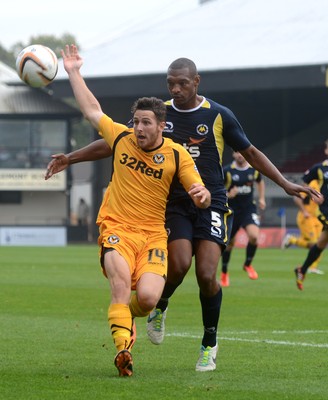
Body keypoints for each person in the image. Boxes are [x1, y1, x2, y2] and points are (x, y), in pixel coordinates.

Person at [45, 56, 321, 372]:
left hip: (212, 200)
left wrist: (284, 182)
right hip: (174, 203)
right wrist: (73, 157)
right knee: (177, 264)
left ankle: (208, 344)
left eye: (182, 84)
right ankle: (159, 305)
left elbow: (250, 152)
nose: (175, 90)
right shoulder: (158, 114)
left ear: (196, 82)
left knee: (205, 274)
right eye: (170, 84)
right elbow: (116, 142)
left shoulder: (219, 116)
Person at [46, 44, 211, 377]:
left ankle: (126, 317)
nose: (138, 128)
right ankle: (123, 350)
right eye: (136, 122)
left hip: (152, 235)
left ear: (161, 126)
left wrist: (202, 195)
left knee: (148, 299)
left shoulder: (177, 155)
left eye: (146, 123)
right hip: (117, 227)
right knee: (120, 286)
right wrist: (74, 72)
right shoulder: (121, 139)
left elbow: (198, 190)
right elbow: (92, 110)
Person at [220, 151, 266, 287]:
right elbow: (217, 190)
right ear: (233, 154)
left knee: (254, 236)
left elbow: (260, 181)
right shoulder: (227, 171)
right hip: (231, 211)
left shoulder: (253, 170)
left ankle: (247, 264)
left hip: (248, 209)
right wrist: (228, 194)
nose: (240, 155)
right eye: (236, 152)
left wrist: (262, 198)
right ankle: (224, 273)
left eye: (241, 152)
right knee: (229, 244)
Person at [294, 140, 327, 290]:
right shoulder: (319, 169)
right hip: (325, 210)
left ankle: (302, 269)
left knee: (320, 244)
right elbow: (302, 185)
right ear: (326, 151)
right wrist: (312, 195)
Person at [282, 180, 324, 275]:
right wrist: (304, 211)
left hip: (317, 218)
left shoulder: (323, 184)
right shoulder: (313, 183)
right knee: (314, 244)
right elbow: (297, 198)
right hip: (307, 217)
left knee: (320, 243)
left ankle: (313, 267)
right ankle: (292, 240)